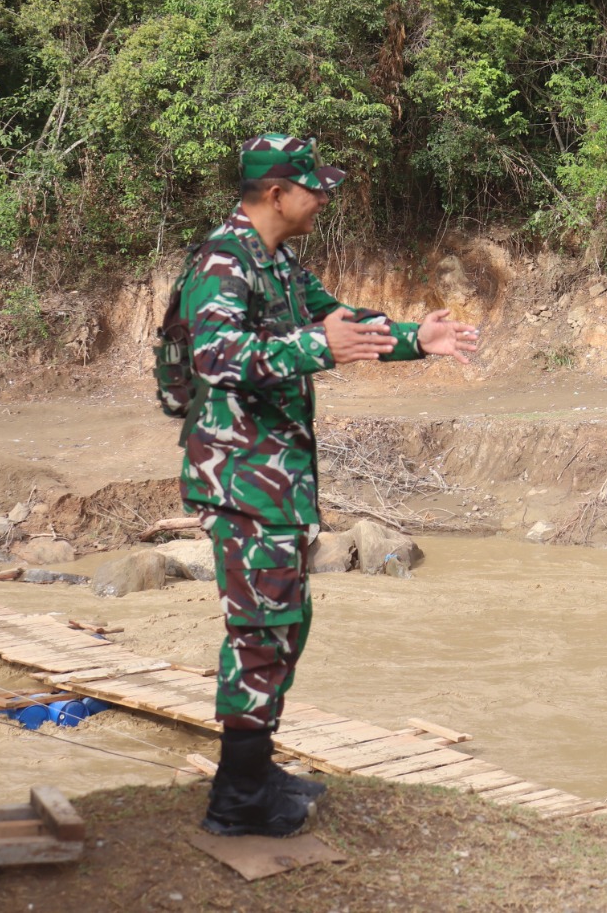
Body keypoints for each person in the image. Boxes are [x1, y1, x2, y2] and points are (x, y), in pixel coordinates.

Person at [179, 133, 478, 837]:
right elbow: (215, 355)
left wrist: (413, 338)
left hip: (279, 480)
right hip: (243, 479)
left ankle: (254, 773)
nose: (325, 198)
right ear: (276, 192)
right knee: (260, 631)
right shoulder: (223, 260)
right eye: (315, 187)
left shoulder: (277, 259)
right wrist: (318, 348)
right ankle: (235, 798)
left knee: (285, 622)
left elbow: (336, 320)